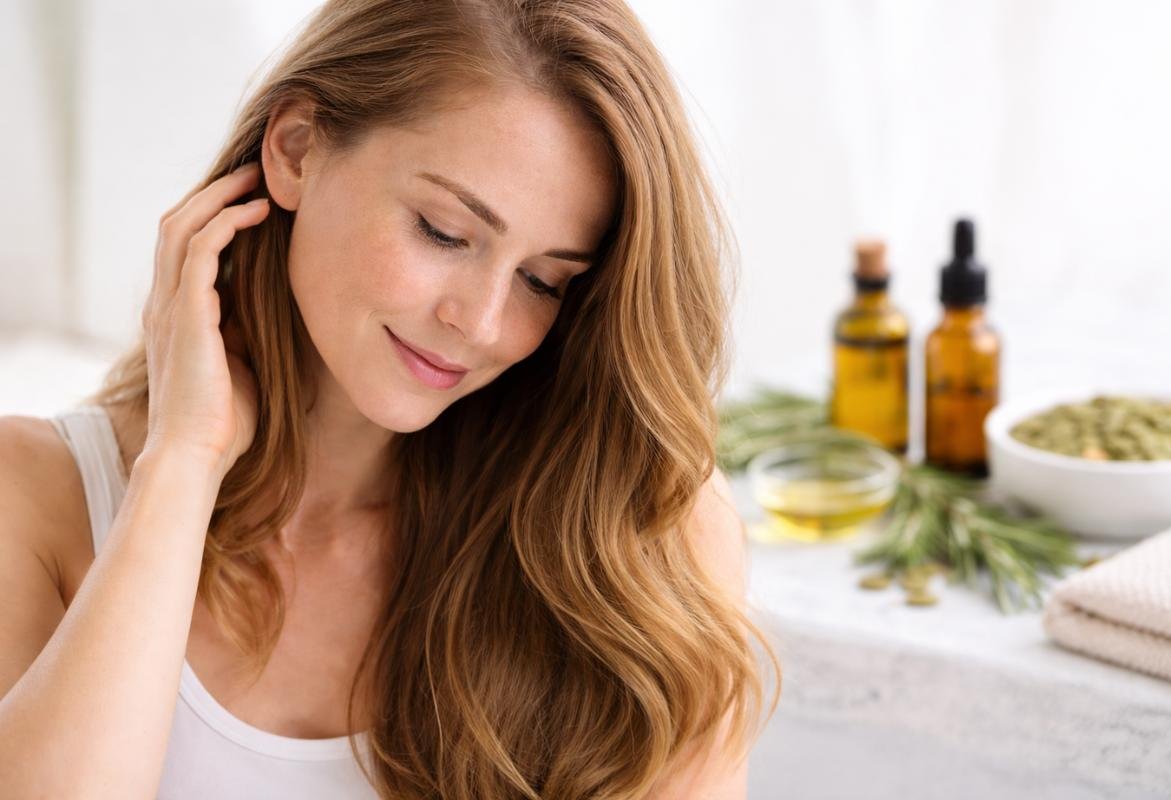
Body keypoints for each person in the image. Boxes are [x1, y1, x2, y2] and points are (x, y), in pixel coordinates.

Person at [0, 0, 779, 797]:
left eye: (543, 281)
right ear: (297, 149)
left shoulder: (642, 536)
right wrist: (183, 461)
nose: (479, 324)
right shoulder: (32, 499)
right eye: (444, 232)